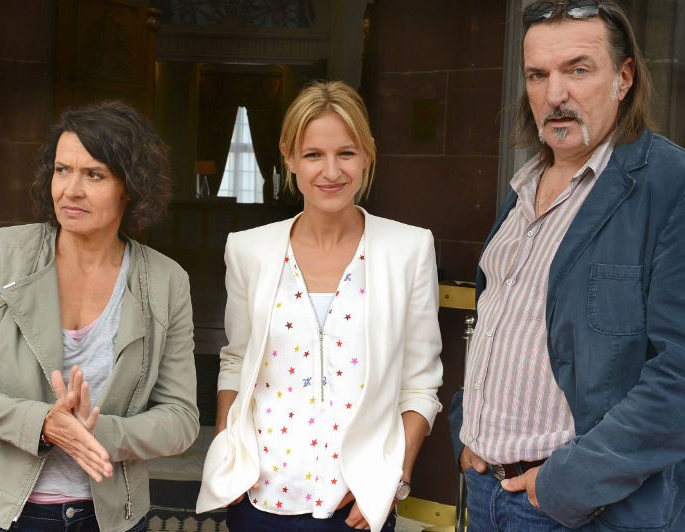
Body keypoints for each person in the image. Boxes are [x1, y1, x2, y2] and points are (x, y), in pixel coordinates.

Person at [448, 1, 685, 530]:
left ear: (624, 78)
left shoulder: (669, 185)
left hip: (579, 510)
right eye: (538, 75)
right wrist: (467, 428)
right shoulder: (523, 185)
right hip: (486, 490)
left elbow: (679, 375)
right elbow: (503, 322)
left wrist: (568, 484)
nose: (555, 94)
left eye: (578, 70)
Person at [0, 100, 200, 531]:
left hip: (109, 515)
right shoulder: (4, 253)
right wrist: (40, 424)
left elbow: (181, 419)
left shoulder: (166, 282)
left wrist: (96, 434)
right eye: (62, 170)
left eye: (94, 175)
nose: (71, 189)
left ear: (131, 187)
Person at [196, 80, 443, 531]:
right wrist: (226, 454)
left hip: (357, 501)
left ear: (368, 154)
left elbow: (420, 385)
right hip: (258, 498)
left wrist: (394, 478)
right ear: (289, 157)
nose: (331, 171)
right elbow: (236, 363)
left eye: (346, 153)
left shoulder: (409, 248)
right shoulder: (249, 249)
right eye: (313, 154)